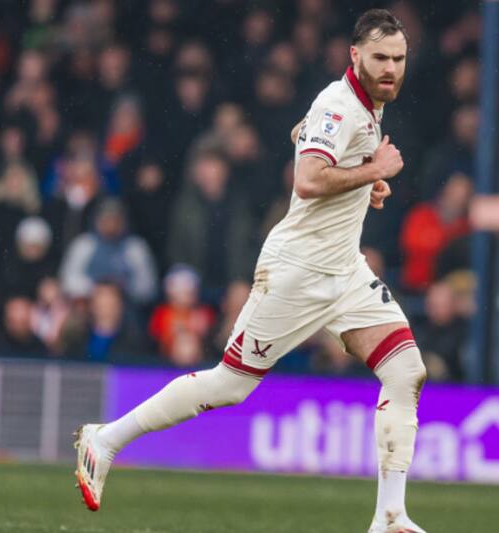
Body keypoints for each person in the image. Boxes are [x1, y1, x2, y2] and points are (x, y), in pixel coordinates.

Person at [74, 10, 428, 533]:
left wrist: (362, 183)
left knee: (405, 371)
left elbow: (303, 137)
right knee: (230, 385)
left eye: (398, 59)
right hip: (298, 273)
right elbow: (308, 179)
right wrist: (375, 170)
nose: (391, 69)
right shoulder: (339, 104)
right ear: (355, 56)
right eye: (380, 58)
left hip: (344, 272)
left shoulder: (363, 105)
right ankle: (104, 439)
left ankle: (390, 517)